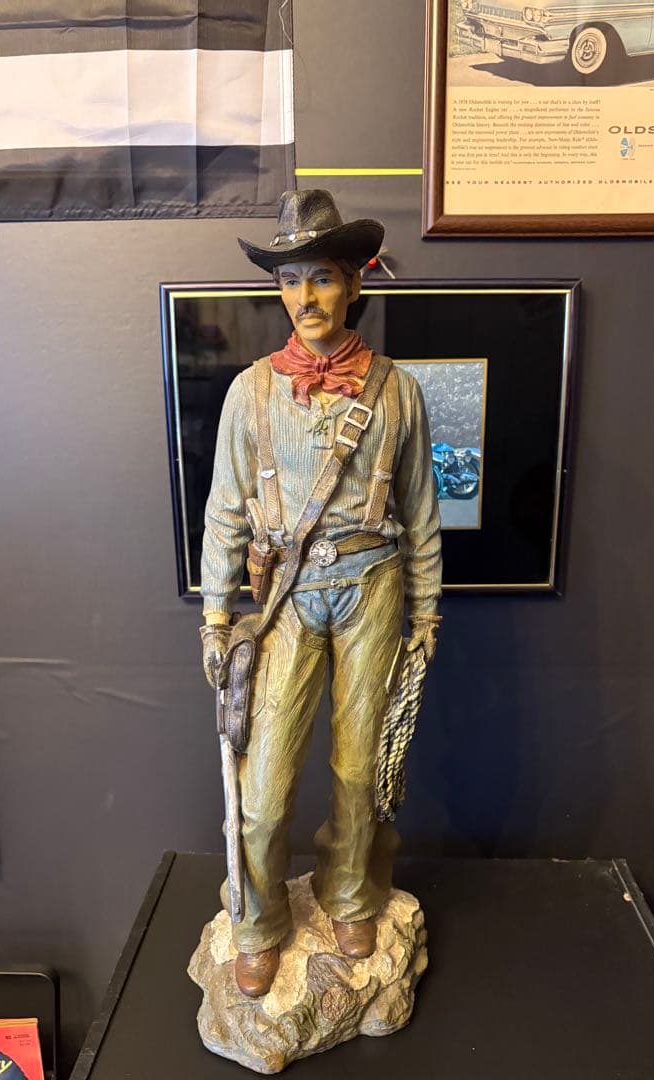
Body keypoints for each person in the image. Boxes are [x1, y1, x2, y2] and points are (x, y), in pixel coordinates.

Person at [200, 189, 442, 997]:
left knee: (358, 766)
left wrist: (427, 610)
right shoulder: (250, 393)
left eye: (324, 278)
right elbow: (226, 511)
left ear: (354, 284)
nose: (306, 297)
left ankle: (350, 892)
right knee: (265, 787)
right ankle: (258, 920)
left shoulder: (397, 391)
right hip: (286, 594)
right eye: (291, 280)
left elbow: (421, 511)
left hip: (373, 584)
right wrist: (216, 616)